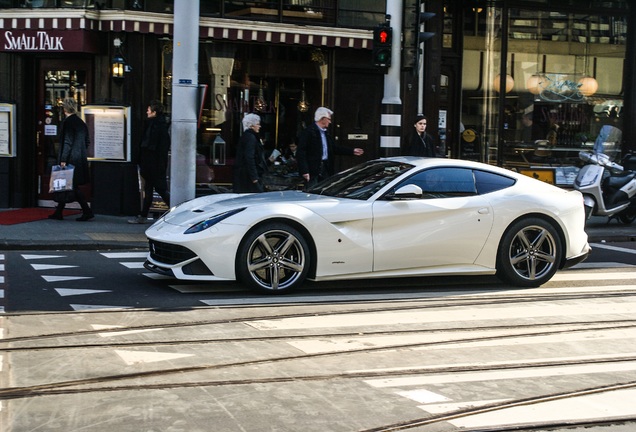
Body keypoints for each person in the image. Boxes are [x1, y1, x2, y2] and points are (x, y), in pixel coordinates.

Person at [48, 97, 94, 222]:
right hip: (79, 159)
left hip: (70, 159)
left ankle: (86, 211)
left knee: (71, 185)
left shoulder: (67, 123)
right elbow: (87, 141)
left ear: (64, 109)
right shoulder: (81, 122)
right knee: (68, 184)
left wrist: (63, 159)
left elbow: (67, 142)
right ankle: (59, 212)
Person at [297, 107, 364, 189]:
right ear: (323, 119)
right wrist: (304, 170)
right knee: (313, 191)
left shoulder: (326, 133)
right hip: (313, 169)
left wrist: (352, 151)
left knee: (326, 190)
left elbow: (333, 148)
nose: (330, 121)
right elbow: (301, 152)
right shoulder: (309, 132)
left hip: (326, 167)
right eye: (329, 119)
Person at [128, 100, 171, 224]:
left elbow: (150, 147)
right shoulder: (158, 126)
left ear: (154, 112)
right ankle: (143, 215)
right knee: (150, 189)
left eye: (149, 110)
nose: (147, 111)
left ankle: (177, 211)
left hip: (153, 165)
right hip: (153, 164)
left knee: (159, 189)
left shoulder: (155, 127)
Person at [233, 113, 268, 193]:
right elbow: (249, 157)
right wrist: (254, 177)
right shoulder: (251, 138)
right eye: (258, 124)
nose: (259, 126)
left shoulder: (246, 136)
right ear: (251, 125)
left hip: (244, 174)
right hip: (248, 176)